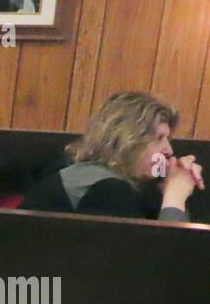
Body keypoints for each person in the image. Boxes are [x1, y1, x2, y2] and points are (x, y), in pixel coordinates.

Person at [20, 91, 204, 221]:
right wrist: (175, 196)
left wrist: (171, 186)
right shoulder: (107, 189)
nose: (169, 150)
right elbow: (162, 260)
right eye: (159, 138)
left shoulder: (101, 177)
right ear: (127, 140)